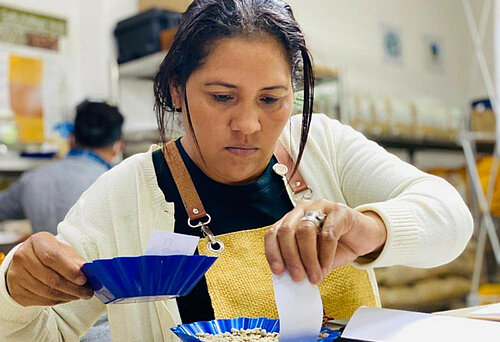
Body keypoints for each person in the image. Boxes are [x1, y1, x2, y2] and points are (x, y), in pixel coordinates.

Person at [0, 1, 472, 341]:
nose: (249, 125)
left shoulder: (324, 148)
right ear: (177, 90)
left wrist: (369, 228)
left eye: (271, 99)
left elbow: (451, 219)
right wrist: (13, 290)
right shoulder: (125, 196)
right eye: (222, 97)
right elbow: (49, 331)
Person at [0, 99, 124, 342]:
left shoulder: (34, 179)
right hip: (102, 320)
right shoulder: (116, 184)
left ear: (71, 139)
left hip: (39, 313)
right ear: (117, 146)